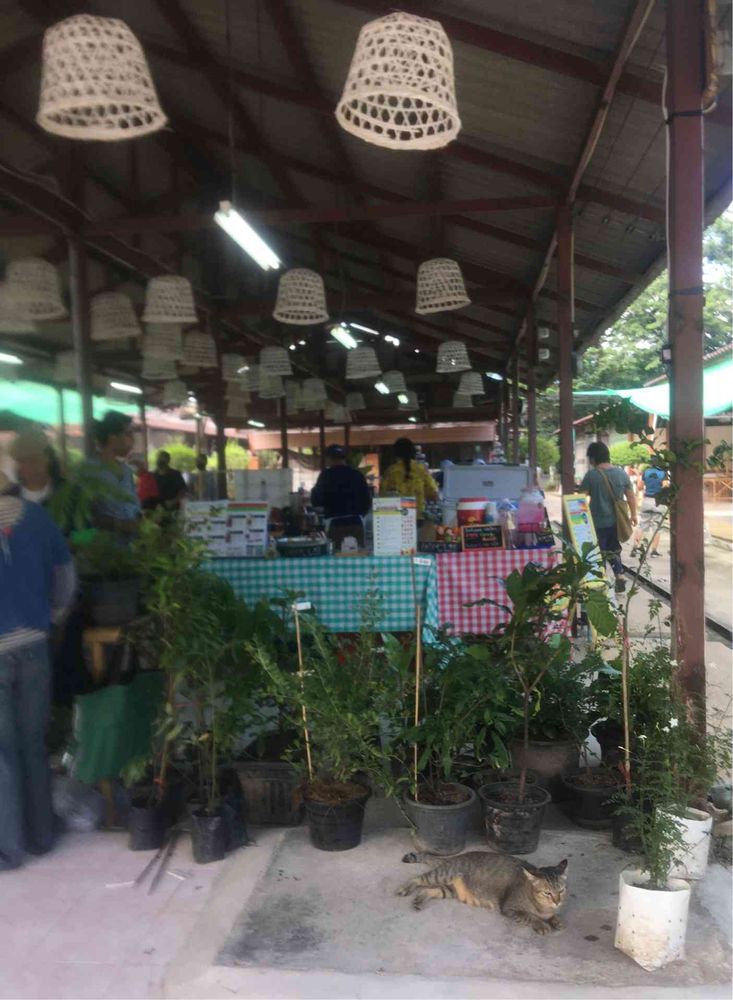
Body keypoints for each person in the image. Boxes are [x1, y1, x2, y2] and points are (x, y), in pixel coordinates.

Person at [0, 471, 76, 870]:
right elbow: (65, 576)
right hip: (33, 643)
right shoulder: (37, 517)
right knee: (33, 743)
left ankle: (8, 848)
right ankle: (41, 836)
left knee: (3, 752)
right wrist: (54, 617)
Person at [579, 441, 637, 593]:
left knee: (599, 553)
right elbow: (631, 496)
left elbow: (580, 499)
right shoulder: (621, 474)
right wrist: (633, 515)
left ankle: (602, 582)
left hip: (597, 523)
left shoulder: (591, 476)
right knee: (614, 549)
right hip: (616, 522)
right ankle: (619, 575)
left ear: (593, 458)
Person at [88, 411, 140, 537]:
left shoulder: (127, 471)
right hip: (102, 546)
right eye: (128, 434)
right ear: (113, 436)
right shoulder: (89, 471)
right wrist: (120, 525)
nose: (133, 440)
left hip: (130, 546)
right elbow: (85, 515)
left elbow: (134, 508)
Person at [311, 444, 371, 522]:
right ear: (344, 458)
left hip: (334, 520)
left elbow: (316, 500)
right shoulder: (357, 474)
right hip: (356, 520)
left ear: (328, 458)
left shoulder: (326, 475)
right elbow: (367, 500)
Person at [380, 437, 439, 514]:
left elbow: (382, 496)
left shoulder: (391, 471)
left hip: (397, 516)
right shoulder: (421, 470)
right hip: (418, 516)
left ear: (395, 454)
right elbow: (433, 494)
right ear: (413, 452)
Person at [9, 427, 64, 506]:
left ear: (48, 459)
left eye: (33, 460)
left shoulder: (69, 492)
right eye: (22, 461)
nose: (29, 467)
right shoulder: (9, 496)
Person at [631, 463, 668, 558]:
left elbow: (640, 487)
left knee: (642, 525)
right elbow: (665, 486)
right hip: (658, 501)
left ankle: (635, 548)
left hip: (647, 500)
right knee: (657, 527)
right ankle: (654, 551)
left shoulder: (646, 472)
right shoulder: (663, 473)